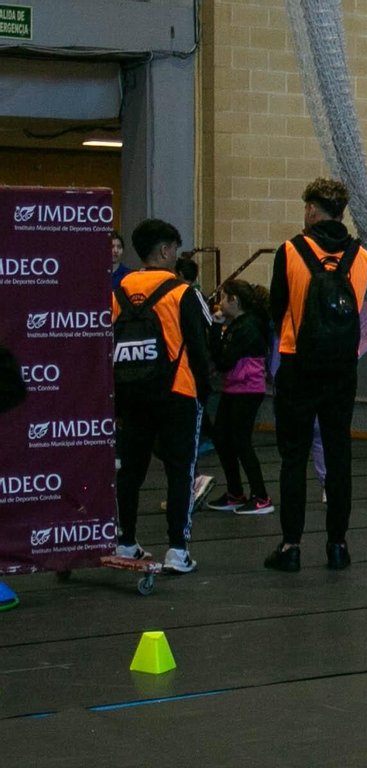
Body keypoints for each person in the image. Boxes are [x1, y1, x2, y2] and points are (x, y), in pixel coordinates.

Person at [264, 178, 367, 573]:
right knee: (339, 455)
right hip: (343, 367)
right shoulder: (361, 255)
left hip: (298, 362)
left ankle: (291, 546)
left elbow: (276, 311)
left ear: (312, 209)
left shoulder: (290, 250)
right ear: (342, 211)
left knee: (293, 458)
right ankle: (338, 545)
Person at [111, 218, 213, 574]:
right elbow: (200, 350)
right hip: (177, 393)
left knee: (130, 473)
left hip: (130, 394)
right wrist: (205, 393)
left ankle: (125, 542)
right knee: (180, 473)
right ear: (166, 251)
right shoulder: (183, 292)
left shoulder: (117, 292)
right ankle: (176, 550)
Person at [206, 279, 273, 515]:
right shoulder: (239, 324)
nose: (221, 303)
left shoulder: (248, 326)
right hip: (235, 387)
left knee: (241, 442)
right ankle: (235, 492)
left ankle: (262, 496)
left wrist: (215, 329)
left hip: (247, 389)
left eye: (224, 298)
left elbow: (224, 360)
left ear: (234, 300)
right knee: (222, 438)